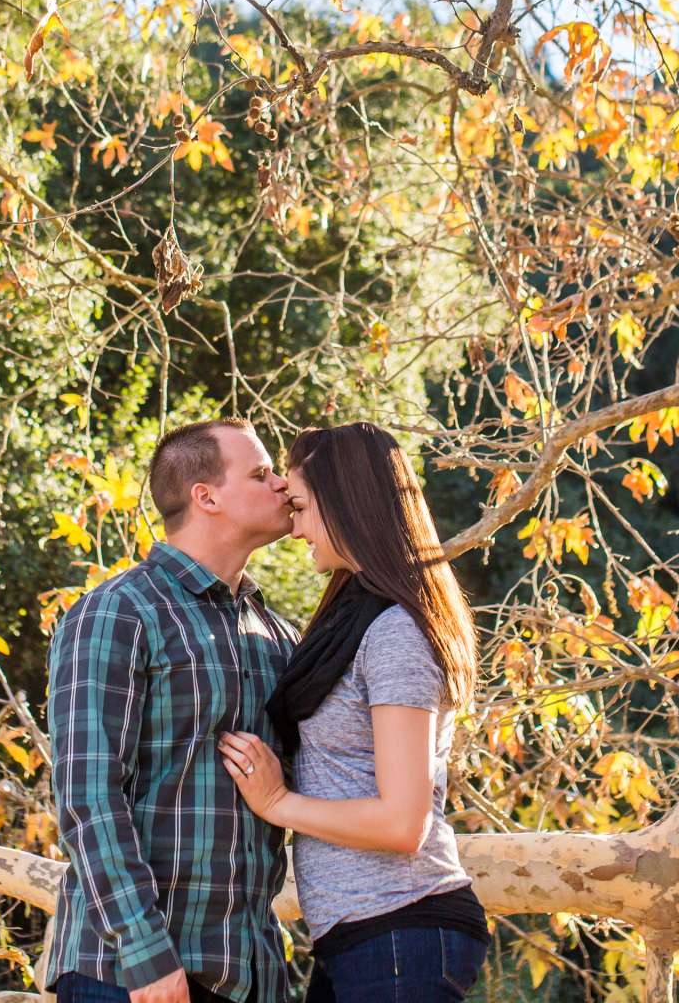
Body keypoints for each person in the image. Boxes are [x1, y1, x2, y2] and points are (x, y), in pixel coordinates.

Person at [217, 422, 487, 1003]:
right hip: (363, 937)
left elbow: (401, 824)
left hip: (402, 927)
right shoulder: (353, 621)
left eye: (304, 507)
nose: (294, 527)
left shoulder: (395, 633)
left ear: (347, 506)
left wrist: (276, 803)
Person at [44, 417, 302, 1003]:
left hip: (250, 974)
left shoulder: (278, 635)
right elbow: (87, 797)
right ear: (205, 496)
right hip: (130, 976)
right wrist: (147, 959)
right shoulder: (116, 613)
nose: (282, 486)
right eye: (262, 474)